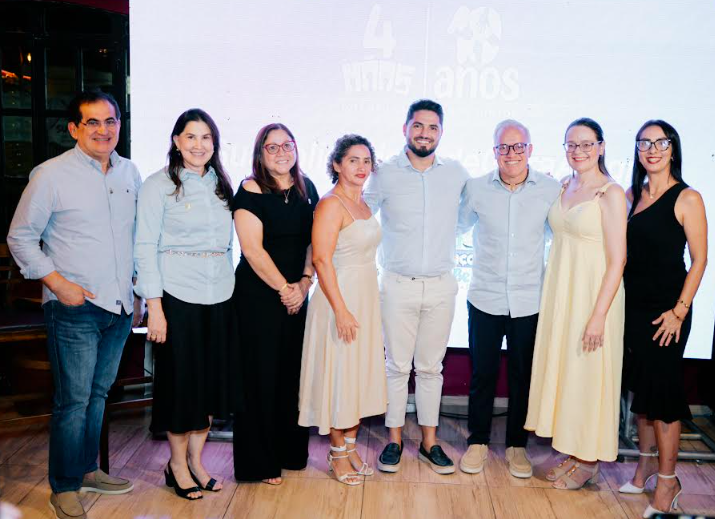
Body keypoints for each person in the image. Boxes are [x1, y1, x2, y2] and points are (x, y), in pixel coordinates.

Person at [7, 91, 141, 519]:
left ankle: (86, 470)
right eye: (92, 122)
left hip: (119, 307)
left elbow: (134, 236)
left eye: (110, 121)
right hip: (73, 307)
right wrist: (58, 284)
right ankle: (63, 487)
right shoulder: (50, 175)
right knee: (73, 401)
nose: (103, 130)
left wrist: (137, 291)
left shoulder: (130, 172)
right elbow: (20, 237)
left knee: (98, 395)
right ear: (73, 129)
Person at [364, 99, 470, 474]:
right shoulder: (384, 173)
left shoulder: (456, 173)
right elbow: (361, 212)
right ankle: (393, 441)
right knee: (395, 366)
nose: (425, 133)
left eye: (432, 127)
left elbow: (469, 216)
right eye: (418, 126)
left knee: (430, 369)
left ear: (441, 132)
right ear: (406, 128)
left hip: (441, 285)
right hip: (397, 285)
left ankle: (429, 443)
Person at [134, 108, 234, 500]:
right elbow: (145, 246)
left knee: (209, 386)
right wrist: (154, 306)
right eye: (190, 136)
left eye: (206, 137)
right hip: (176, 296)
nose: (198, 145)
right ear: (177, 141)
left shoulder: (220, 184)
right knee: (181, 386)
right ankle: (176, 465)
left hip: (219, 294)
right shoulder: (158, 185)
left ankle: (196, 461)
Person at [524, 118, 627, 489]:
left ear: (601, 147)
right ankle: (572, 450)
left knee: (588, 375)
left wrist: (598, 315)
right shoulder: (565, 186)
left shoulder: (611, 193)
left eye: (586, 144)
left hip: (594, 297)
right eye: (571, 144)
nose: (578, 151)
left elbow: (618, 259)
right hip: (562, 295)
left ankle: (588, 461)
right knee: (569, 372)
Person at [457, 120, 561, 477]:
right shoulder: (476, 188)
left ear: (530, 150)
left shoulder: (550, 189)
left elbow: (560, 232)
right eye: (504, 147)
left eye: (518, 147)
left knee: (523, 376)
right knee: (482, 374)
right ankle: (478, 442)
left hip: (529, 300)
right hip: (484, 297)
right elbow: (456, 226)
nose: (511, 153)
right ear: (494, 152)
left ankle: (517, 446)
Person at [618, 120, 707, 518]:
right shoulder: (631, 195)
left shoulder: (688, 197)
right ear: (637, 150)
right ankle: (644, 467)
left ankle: (669, 481)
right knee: (642, 394)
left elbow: (700, 260)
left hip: (668, 312)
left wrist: (679, 311)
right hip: (633, 310)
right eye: (644, 143)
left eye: (660, 142)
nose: (652, 149)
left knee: (664, 397)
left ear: (673, 149)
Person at [232, 123, 319, 484]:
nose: (281, 152)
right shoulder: (249, 190)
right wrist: (286, 289)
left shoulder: (306, 187)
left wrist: (305, 282)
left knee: (291, 376)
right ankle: (259, 463)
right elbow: (252, 250)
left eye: (287, 145)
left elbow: (314, 241)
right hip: (259, 298)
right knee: (260, 378)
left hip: (298, 294)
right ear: (260, 153)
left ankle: (290, 453)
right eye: (272, 147)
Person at [298, 134, 387, 486]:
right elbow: (321, 259)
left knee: (356, 375)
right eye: (353, 160)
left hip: (364, 299)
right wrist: (342, 310)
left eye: (366, 161)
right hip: (339, 301)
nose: (361, 167)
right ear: (336, 164)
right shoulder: (331, 204)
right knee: (339, 375)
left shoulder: (363, 203)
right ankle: (336, 453)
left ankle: (350, 447)